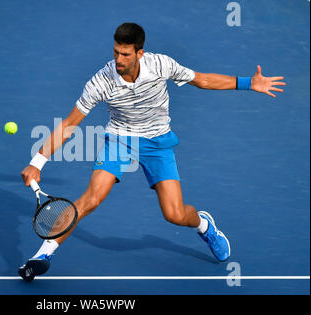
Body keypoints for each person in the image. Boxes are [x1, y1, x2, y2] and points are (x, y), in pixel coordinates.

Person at [18, 23, 286, 281]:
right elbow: (69, 124)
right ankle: (42, 256)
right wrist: (37, 162)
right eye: (115, 52)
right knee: (92, 198)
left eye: (125, 53)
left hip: (158, 142)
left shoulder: (161, 64)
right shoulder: (101, 81)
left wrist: (248, 83)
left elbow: (202, 80)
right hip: (120, 139)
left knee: (175, 214)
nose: (118, 59)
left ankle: (204, 225)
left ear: (139, 53)